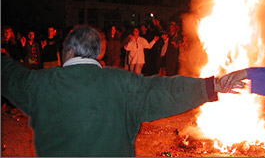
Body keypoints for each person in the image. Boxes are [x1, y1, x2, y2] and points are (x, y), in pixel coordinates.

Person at [1, 24, 238, 157]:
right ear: (99, 53)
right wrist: (212, 86)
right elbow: (167, 90)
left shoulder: (39, 84)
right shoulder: (124, 83)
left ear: (69, 52)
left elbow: (9, 74)